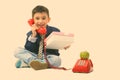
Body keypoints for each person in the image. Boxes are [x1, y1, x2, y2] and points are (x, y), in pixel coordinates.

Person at [14, 5, 70, 70]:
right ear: (33, 20)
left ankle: (28, 63)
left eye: (43, 18)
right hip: (34, 55)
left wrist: (64, 45)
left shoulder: (55, 31)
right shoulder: (30, 33)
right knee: (17, 50)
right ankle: (36, 62)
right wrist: (33, 35)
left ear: (48, 19)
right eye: (37, 18)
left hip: (49, 56)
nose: (40, 21)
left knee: (57, 60)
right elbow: (28, 48)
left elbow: (59, 43)